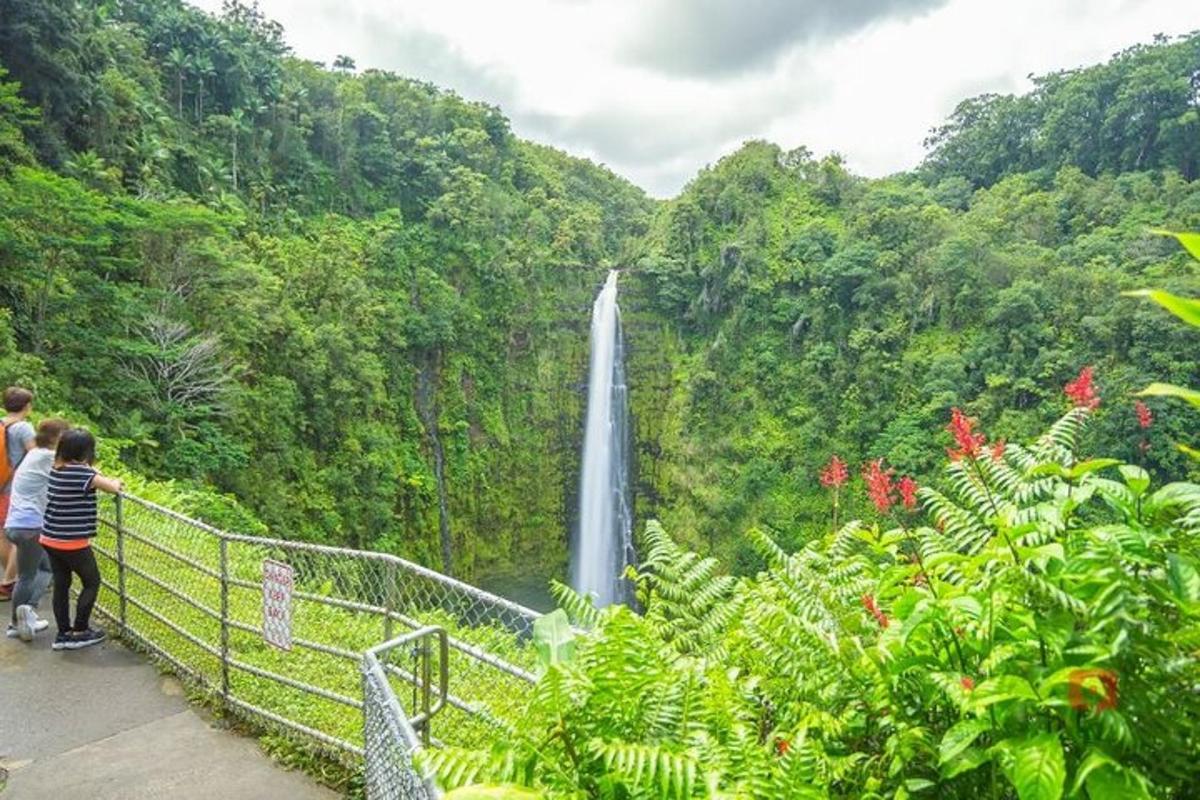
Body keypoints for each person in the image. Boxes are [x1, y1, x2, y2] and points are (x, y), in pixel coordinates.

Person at [41, 427, 122, 650]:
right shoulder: (84, 474)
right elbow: (113, 487)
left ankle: (63, 633)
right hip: (72, 541)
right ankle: (80, 630)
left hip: (49, 537)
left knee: (62, 584)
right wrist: (113, 481)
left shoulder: (56, 468)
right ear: (87, 451)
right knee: (92, 582)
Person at [5, 418, 70, 640]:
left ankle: (25, 614)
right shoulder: (47, 457)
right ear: (57, 437)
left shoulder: (34, 454)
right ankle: (18, 621)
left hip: (17, 523)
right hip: (30, 525)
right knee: (27, 576)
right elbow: (78, 469)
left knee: (46, 568)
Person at [0, 387, 36, 600]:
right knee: (19, 537)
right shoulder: (23, 427)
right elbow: (35, 455)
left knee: (3, 534)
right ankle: (9, 583)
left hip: (1, 485)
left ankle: (9, 580)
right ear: (27, 406)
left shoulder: (3, 423)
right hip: (16, 488)